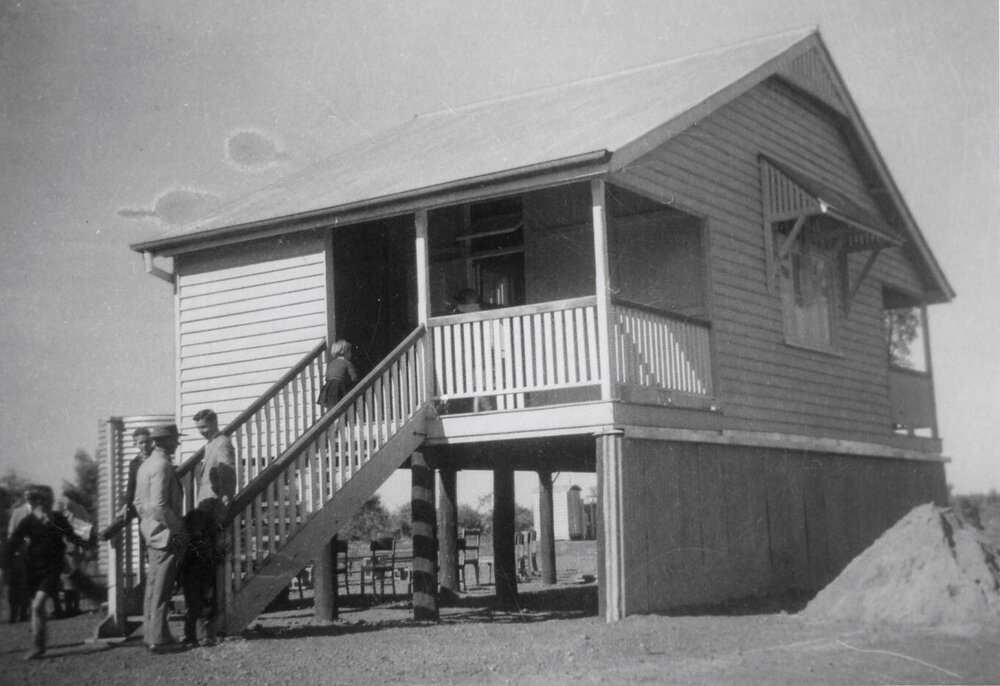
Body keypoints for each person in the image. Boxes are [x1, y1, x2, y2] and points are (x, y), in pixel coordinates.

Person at [2, 485, 94, 659]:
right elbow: (14, 541)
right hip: (33, 569)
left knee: (38, 605)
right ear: (38, 502)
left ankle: (38, 646)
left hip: (52, 568)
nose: (51, 503)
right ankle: (39, 644)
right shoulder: (28, 521)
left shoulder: (56, 518)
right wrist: (4, 564)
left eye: (51, 500)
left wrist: (87, 547)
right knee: (37, 609)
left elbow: (72, 534)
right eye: (47, 501)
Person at [134, 423, 187, 654]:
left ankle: (154, 634)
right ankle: (157, 639)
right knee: (162, 590)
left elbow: (139, 503)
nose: (177, 443)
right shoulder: (163, 466)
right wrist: (178, 528)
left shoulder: (146, 465)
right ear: (164, 442)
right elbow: (160, 505)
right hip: (165, 535)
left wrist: (148, 524)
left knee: (154, 587)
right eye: (174, 439)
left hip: (151, 533)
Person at [178, 508, 222, 647]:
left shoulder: (196, 544)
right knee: (197, 607)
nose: (198, 529)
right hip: (197, 578)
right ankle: (198, 636)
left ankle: (196, 636)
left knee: (198, 607)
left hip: (201, 577)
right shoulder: (194, 545)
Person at [100, 427, 154, 541]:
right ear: (136, 444)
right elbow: (131, 485)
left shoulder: (157, 457)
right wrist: (126, 504)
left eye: (146, 442)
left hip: (154, 499)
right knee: (127, 513)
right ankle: (104, 534)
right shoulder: (134, 463)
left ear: (151, 441)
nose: (144, 445)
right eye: (141, 443)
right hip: (140, 501)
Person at [192, 409, 236, 523]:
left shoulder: (222, 443)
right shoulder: (210, 444)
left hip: (215, 504)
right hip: (207, 503)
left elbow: (227, 473)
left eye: (204, 427)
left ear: (214, 423)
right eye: (198, 428)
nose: (201, 431)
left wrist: (224, 501)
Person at [5, 491, 32, 623]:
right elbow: (11, 532)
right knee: (15, 584)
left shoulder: (41, 513)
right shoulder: (18, 512)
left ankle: (24, 613)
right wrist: (14, 549)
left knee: (28, 584)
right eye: (26, 495)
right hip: (18, 554)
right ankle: (13, 614)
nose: (28, 497)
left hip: (33, 554)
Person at [317, 339, 359, 409]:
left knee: (332, 407)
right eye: (350, 351)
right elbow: (354, 378)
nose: (351, 354)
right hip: (340, 385)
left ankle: (333, 419)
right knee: (343, 406)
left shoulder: (331, 363)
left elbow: (327, 377)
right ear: (346, 352)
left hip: (329, 386)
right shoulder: (347, 363)